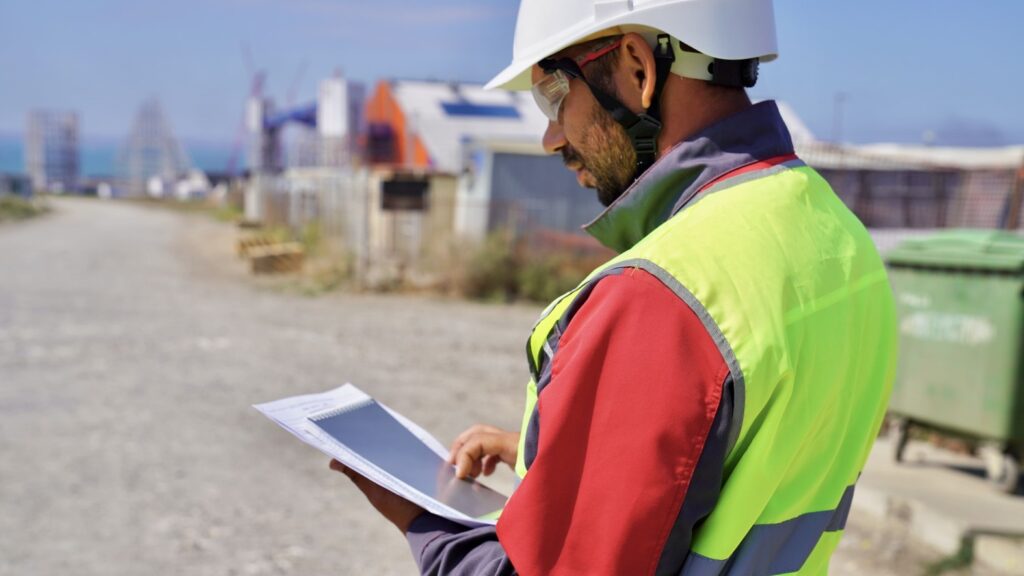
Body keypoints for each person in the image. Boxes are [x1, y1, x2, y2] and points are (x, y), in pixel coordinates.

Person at [332, 1, 898, 574]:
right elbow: (750, 467)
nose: (553, 137)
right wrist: (561, 460)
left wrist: (422, 517)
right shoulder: (840, 241)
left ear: (637, 68)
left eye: (554, 95)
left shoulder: (662, 295)